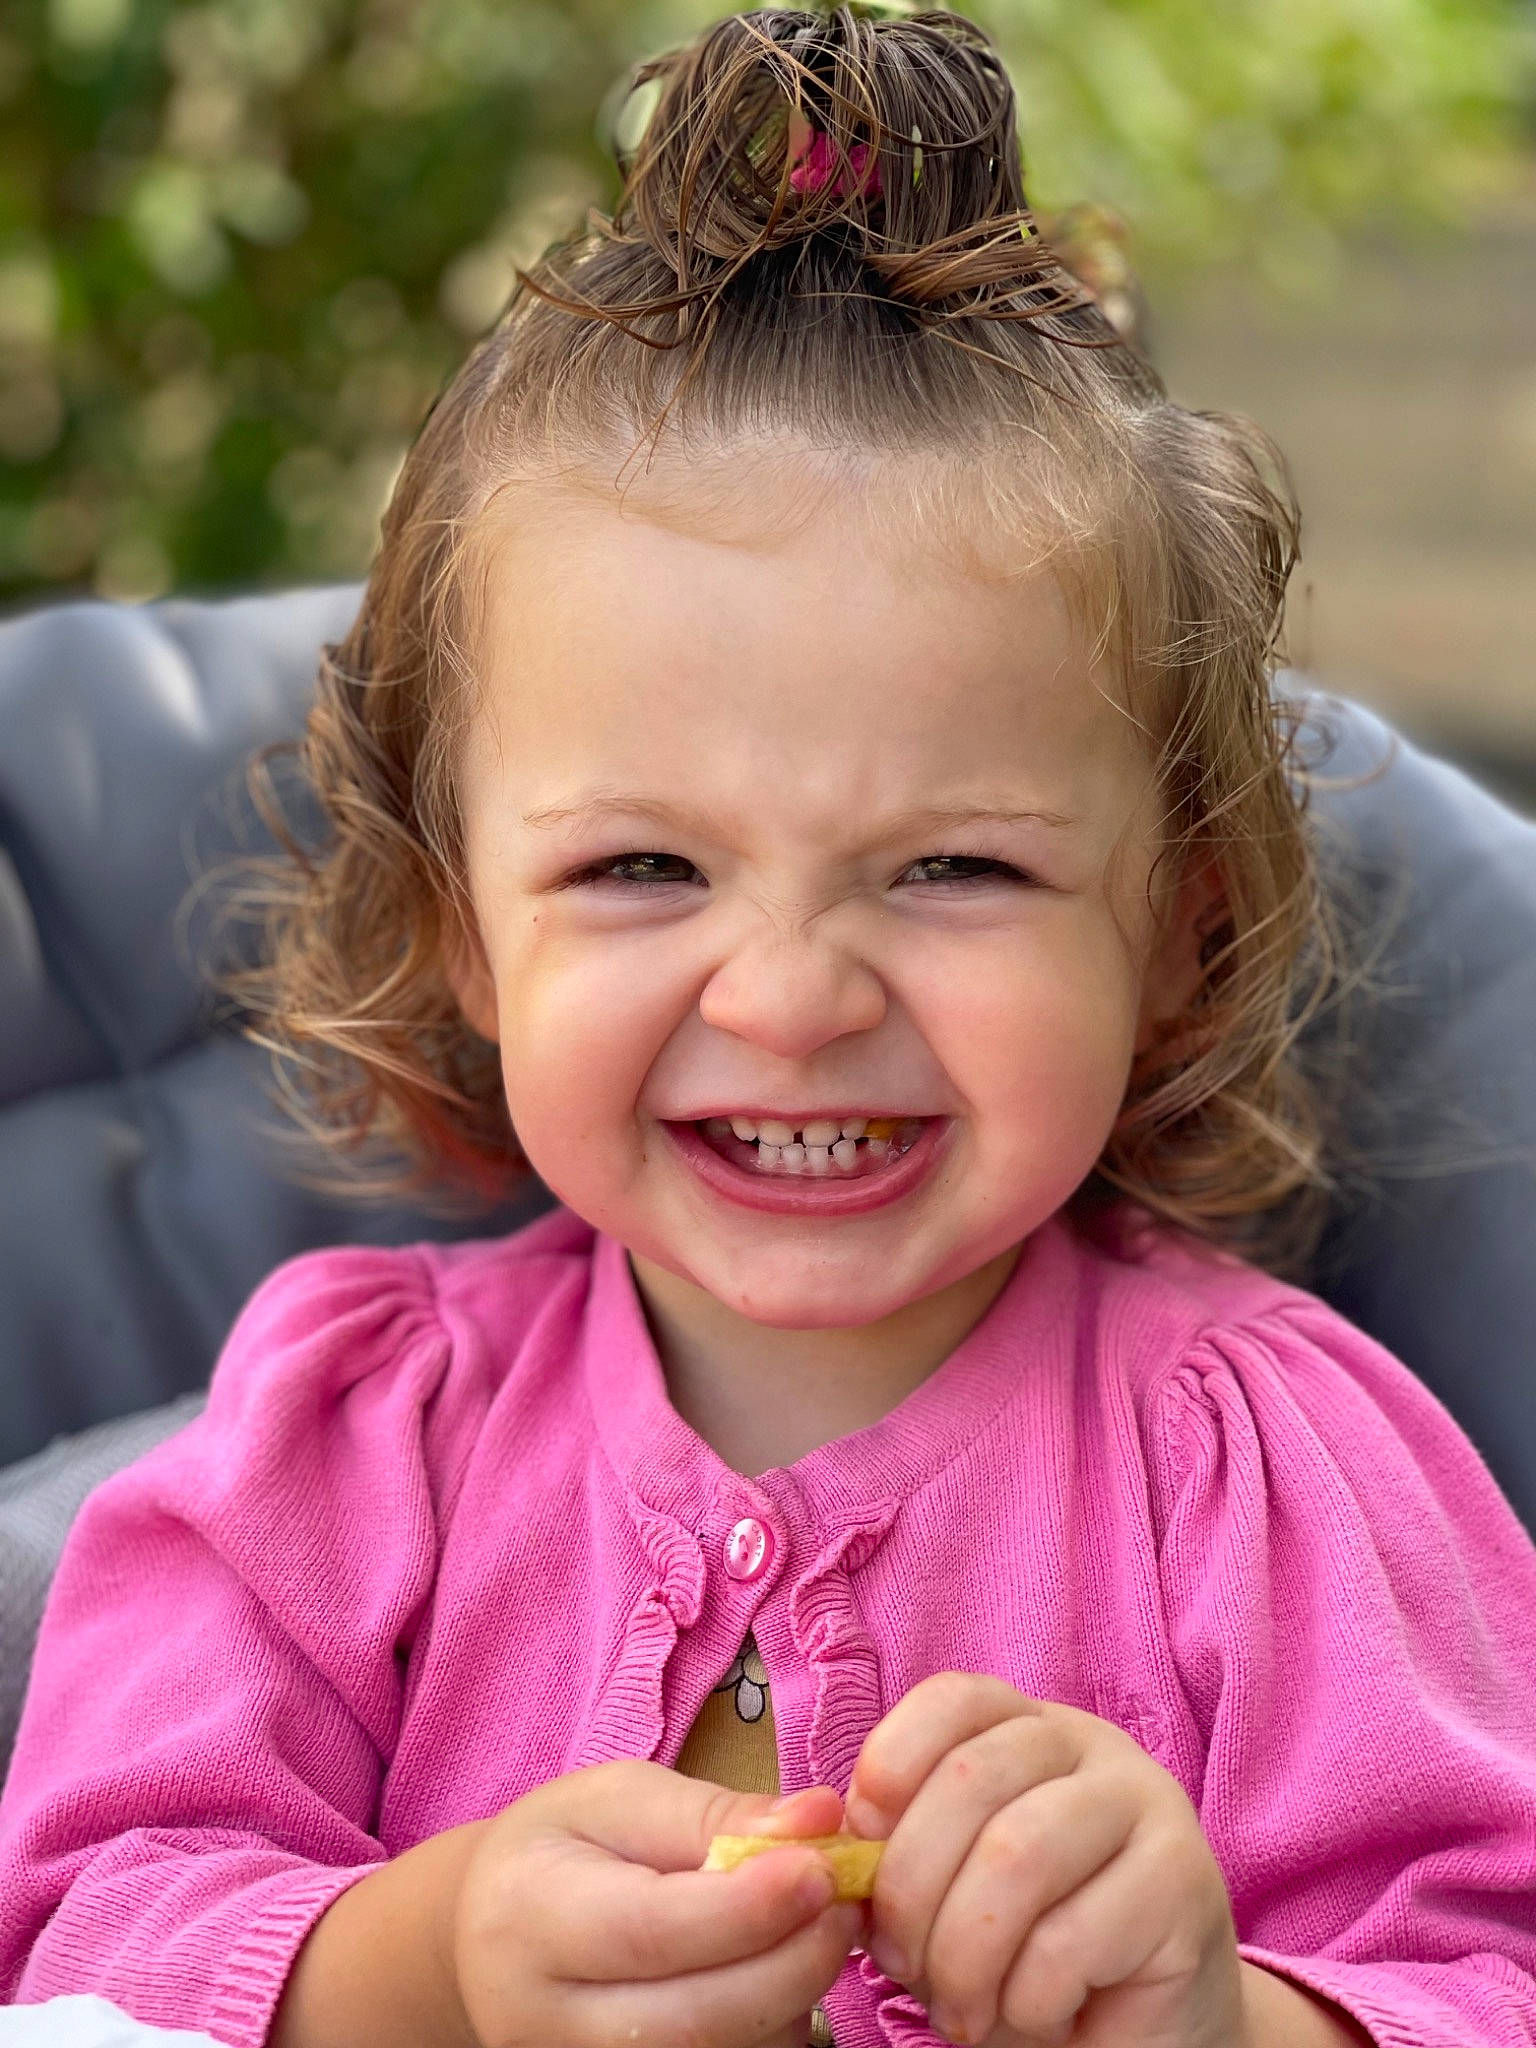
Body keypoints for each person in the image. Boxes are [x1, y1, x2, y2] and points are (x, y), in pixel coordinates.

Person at [3, 7, 1535, 2047]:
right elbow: (89, 1950)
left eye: (956, 870)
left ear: (1180, 932)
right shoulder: (333, 1454)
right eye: (643, 870)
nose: (796, 998)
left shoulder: (1283, 1481)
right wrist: (426, 1962)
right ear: (462, 933)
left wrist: (1225, 2012)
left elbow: (1487, 1977)